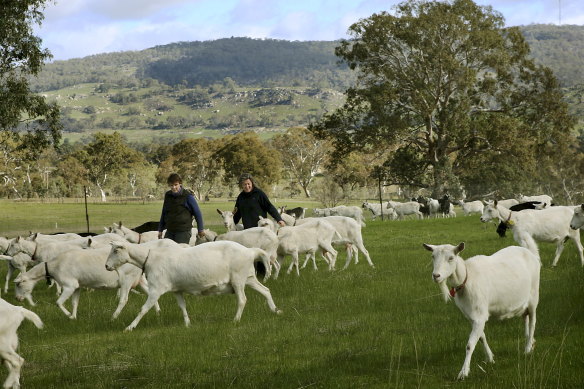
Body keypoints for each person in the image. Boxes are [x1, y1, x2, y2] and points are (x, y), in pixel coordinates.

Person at [158, 173, 205, 244]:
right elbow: (164, 212)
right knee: (166, 251)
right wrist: (160, 230)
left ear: (180, 183)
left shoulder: (188, 196)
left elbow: (197, 213)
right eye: (171, 185)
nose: (173, 187)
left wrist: (200, 229)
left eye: (176, 185)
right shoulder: (168, 195)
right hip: (170, 230)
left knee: (179, 253)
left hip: (183, 232)